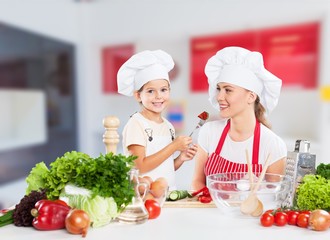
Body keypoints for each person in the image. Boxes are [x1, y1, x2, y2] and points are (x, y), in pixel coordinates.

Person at [191, 46, 287, 190]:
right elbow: (197, 183)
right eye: (219, 89)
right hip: (210, 210)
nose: (219, 97)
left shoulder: (272, 145)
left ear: (251, 96)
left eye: (228, 90)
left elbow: (274, 197)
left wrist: (259, 188)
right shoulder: (209, 132)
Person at [117, 49, 198, 190]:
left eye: (163, 90)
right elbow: (140, 166)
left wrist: (181, 158)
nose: (158, 96)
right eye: (150, 91)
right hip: (145, 197)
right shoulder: (136, 124)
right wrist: (174, 146)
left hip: (166, 195)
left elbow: (165, 167)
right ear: (137, 95)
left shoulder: (168, 126)